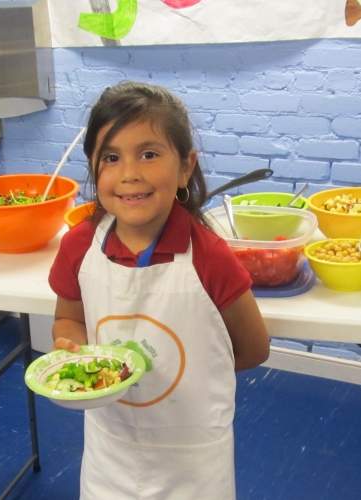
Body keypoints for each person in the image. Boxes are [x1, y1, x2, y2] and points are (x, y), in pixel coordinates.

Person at [49, 81, 269, 500]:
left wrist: (189, 370)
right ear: (94, 169)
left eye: (149, 154)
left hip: (192, 460)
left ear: (186, 166)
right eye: (111, 157)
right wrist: (70, 346)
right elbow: (69, 318)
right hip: (109, 449)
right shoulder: (79, 246)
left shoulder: (210, 257)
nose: (130, 172)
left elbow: (254, 348)